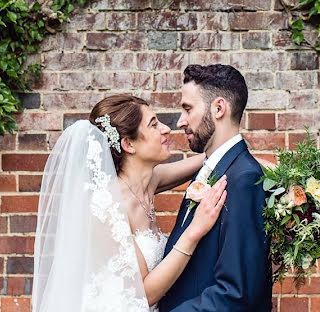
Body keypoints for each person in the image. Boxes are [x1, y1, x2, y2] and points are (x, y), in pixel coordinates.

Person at [32, 94, 228, 312]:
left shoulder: (149, 181)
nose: (166, 129)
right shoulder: (107, 206)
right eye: (154, 125)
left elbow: (208, 159)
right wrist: (194, 231)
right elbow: (146, 292)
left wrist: (241, 156)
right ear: (128, 144)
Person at [159, 64, 272, 312]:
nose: (181, 122)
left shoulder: (244, 179)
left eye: (188, 109)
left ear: (218, 108)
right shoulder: (213, 168)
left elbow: (236, 293)